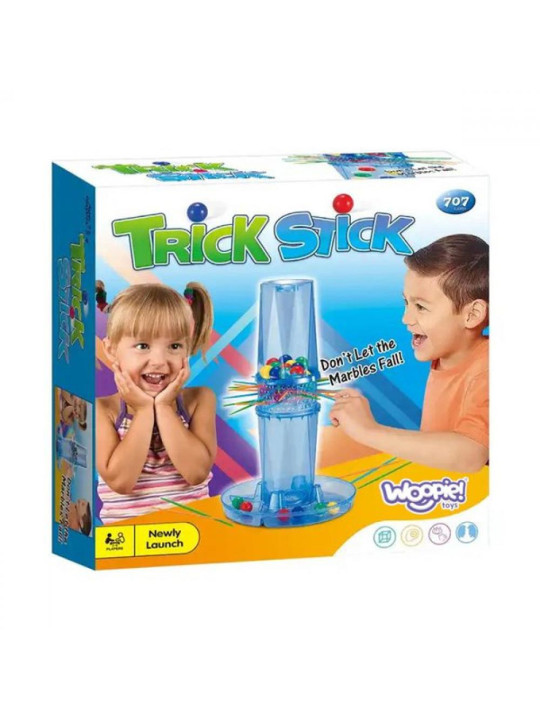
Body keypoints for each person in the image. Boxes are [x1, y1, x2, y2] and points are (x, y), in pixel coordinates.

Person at [330, 235, 489, 473]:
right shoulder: (445, 354)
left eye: (421, 307)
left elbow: (470, 455)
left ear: (472, 315)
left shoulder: (489, 369)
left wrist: (369, 431)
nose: (406, 318)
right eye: (406, 302)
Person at [96, 283, 217, 524]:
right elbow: (121, 482)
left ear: (187, 350)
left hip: (194, 536)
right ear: (111, 349)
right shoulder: (103, 410)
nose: (159, 361)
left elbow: (195, 473)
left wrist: (163, 407)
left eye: (174, 346)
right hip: (129, 540)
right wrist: (143, 411)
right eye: (143, 346)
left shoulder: (199, 400)